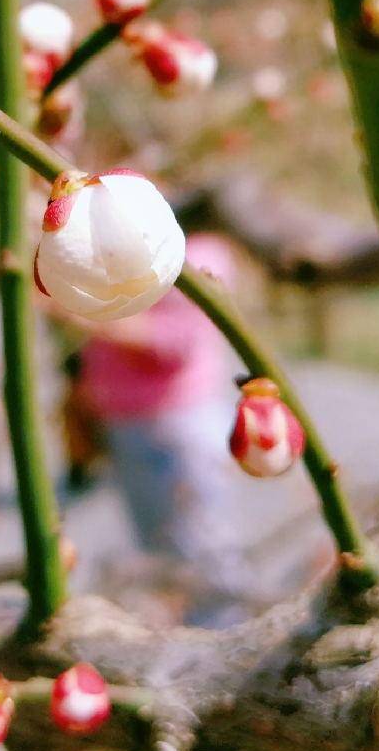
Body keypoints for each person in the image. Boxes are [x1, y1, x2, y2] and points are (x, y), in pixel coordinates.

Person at [65, 232, 250, 624]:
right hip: (127, 424)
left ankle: (222, 634)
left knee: (203, 551)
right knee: (158, 548)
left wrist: (82, 312)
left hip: (174, 429)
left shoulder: (195, 257)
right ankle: (188, 634)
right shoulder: (126, 246)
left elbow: (174, 342)